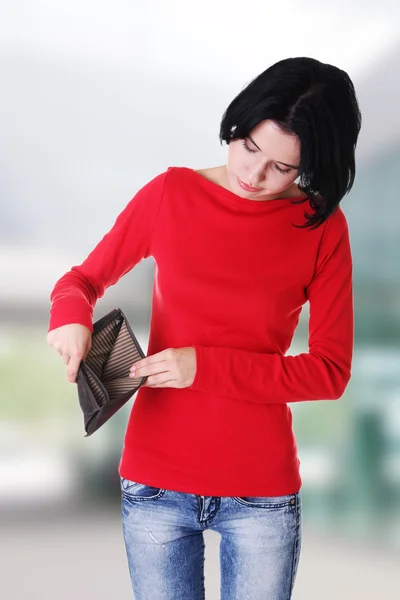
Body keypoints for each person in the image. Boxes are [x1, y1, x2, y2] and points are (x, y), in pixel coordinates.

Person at [46, 56, 362, 599]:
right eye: (250, 147)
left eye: (282, 168)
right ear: (237, 124)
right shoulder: (171, 195)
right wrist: (70, 321)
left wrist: (204, 367)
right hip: (155, 482)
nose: (254, 175)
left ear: (313, 165)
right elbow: (81, 281)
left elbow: (329, 372)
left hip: (261, 491)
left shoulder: (322, 229)